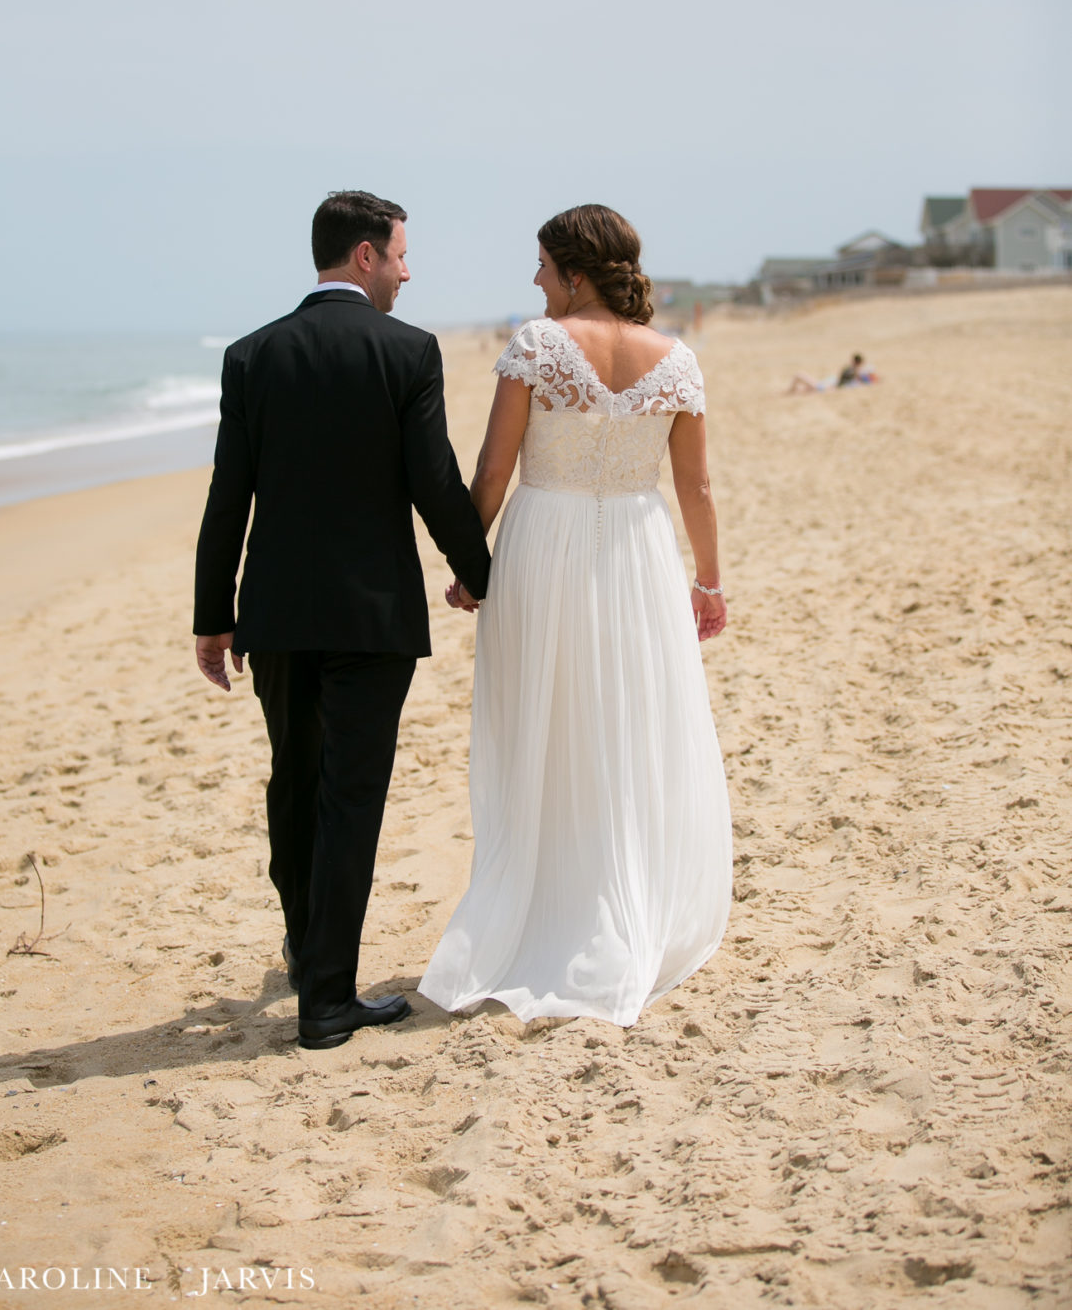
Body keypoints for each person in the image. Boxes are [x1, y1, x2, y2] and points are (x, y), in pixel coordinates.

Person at [419, 205, 733, 1027]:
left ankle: (547, 904)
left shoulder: (538, 344)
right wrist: (708, 580)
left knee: (543, 724)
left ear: (575, 271)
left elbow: (493, 466)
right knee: (627, 722)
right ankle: (618, 897)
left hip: (544, 540)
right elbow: (695, 488)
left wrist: (466, 562)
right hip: (637, 547)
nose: (534, 280)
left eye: (542, 266)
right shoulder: (678, 360)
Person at [193, 191, 491, 1050]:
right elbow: (432, 481)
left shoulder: (252, 355)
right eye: (400, 253)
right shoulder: (407, 351)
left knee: (295, 778)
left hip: (276, 612)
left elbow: (228, 497)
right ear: (365, 256)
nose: (408, 268)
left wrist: (214, 614)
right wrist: (481, 577)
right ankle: (326, 998)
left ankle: (307, 948)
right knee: (349, 795)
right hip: (372, 616)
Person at [786, 352, 876, 394]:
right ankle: (790, 392)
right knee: (803, 387)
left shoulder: (856, 372)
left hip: (826, 387)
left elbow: (862, 381)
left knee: (799, 375)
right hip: (827, 384)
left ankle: (789, 392)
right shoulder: (853, 370)